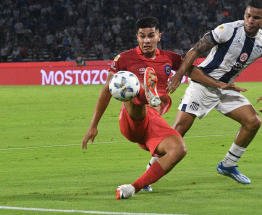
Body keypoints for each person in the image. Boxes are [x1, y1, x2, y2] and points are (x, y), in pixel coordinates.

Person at [82, 17, 245, 200]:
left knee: (179, 149)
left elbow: (192, 71)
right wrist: (93, 125)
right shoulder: (125, 59)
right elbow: (107, 90)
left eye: (151, 36)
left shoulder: (169, 57)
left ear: (159, 36)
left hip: (154, 121)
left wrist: (219, 84)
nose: (146, 40)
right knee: (126, 83)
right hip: (131, 119)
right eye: (142, 36)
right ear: (137, 37)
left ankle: (133, 188)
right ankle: (144, 93)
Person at [165, 0, 262, 184]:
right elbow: (195, 49)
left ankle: (227, 165)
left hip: (226, 89)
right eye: (248, 15)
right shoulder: (228, 30)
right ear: (244, 14)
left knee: (253, 122)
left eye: (256, 18)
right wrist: (179, 75)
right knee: (179, 130)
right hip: (202, 85)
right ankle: (150, 171)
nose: (250, 20)